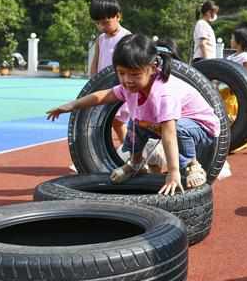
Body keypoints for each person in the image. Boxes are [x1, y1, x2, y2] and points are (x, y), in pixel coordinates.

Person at [47, 34, 220, 195]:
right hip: (173, 126)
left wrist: (173, 173)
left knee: (179, 128)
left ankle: (191, 165)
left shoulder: (164, 93)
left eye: (135, 74)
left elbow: (170, 133)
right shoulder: (130, 87)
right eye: (121, 73)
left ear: (152, 68)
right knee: (137, 122)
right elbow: (103, 96)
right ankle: (135, 163)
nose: (127, 80)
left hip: (201, 129)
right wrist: (72, 105)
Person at [88, 0, 132, 145]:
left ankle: (133, 154)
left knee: (114, 122)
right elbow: (96, 61)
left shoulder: (126, 38)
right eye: (98, 23)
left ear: (118, 16)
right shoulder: (101, 39)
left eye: (106, 22)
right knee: (110, 123)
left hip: (120, 88)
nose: (102, 27)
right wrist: (92, 82)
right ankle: (129, 154)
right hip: (103, 89)